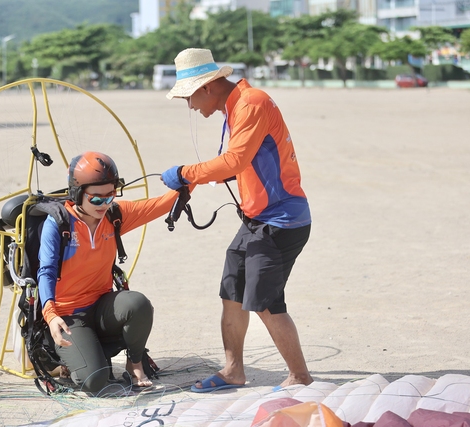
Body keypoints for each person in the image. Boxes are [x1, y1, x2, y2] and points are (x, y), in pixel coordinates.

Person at [161, 48, 314, 392]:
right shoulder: (234, 106)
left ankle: (301, 377)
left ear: (208, 87)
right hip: (257, 219)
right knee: (232, 290)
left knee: (266, 304)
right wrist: (191, 183)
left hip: (281, 220)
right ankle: (233, 371)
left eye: (189, 97)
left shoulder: (252, 103)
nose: (190, 106)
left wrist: (186, 172)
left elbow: (234, 161)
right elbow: (237, 163)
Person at [38, 151, 179, 395]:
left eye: (110, 195)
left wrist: (193, 176)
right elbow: (46, 271)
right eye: (96, 199)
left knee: (137, 304)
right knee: (94, 381)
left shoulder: (114, 216)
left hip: (102, 307)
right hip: (69, 317)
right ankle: (71, 357)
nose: (104, 204)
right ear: (77, 194)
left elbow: (162, 204)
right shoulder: (59, 225)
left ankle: (134, 363)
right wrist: (50, 315)